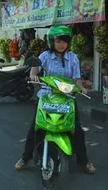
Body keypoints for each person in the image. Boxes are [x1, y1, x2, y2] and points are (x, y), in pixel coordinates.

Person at [14, 25, 96, 174]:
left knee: (76, 129)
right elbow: (35, 69)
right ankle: (25, 158)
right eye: (58, 41)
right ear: (52, 42)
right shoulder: (45, 56)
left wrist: (81, 88)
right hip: (46, 96)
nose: (61, 44)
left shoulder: (73, 58)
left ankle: (84, 161)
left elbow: (76, 78)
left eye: (64, 41)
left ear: (68, 43)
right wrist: (33, 75)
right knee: (35, 128)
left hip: (67, 98)